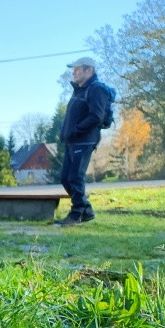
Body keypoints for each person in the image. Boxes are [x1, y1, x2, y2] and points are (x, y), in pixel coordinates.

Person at [57, 57, 110, 225]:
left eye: (77, 69)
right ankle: (86, 211)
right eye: (73, 69)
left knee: (75, 177)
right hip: (72, 141)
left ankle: (76, 214)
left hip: (84, 141)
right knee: (66, 178)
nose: (73, 72)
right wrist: (65, 132)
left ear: (89, 70)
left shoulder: (96, 89)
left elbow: (96, 116)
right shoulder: (78, 90)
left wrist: (75, 130)